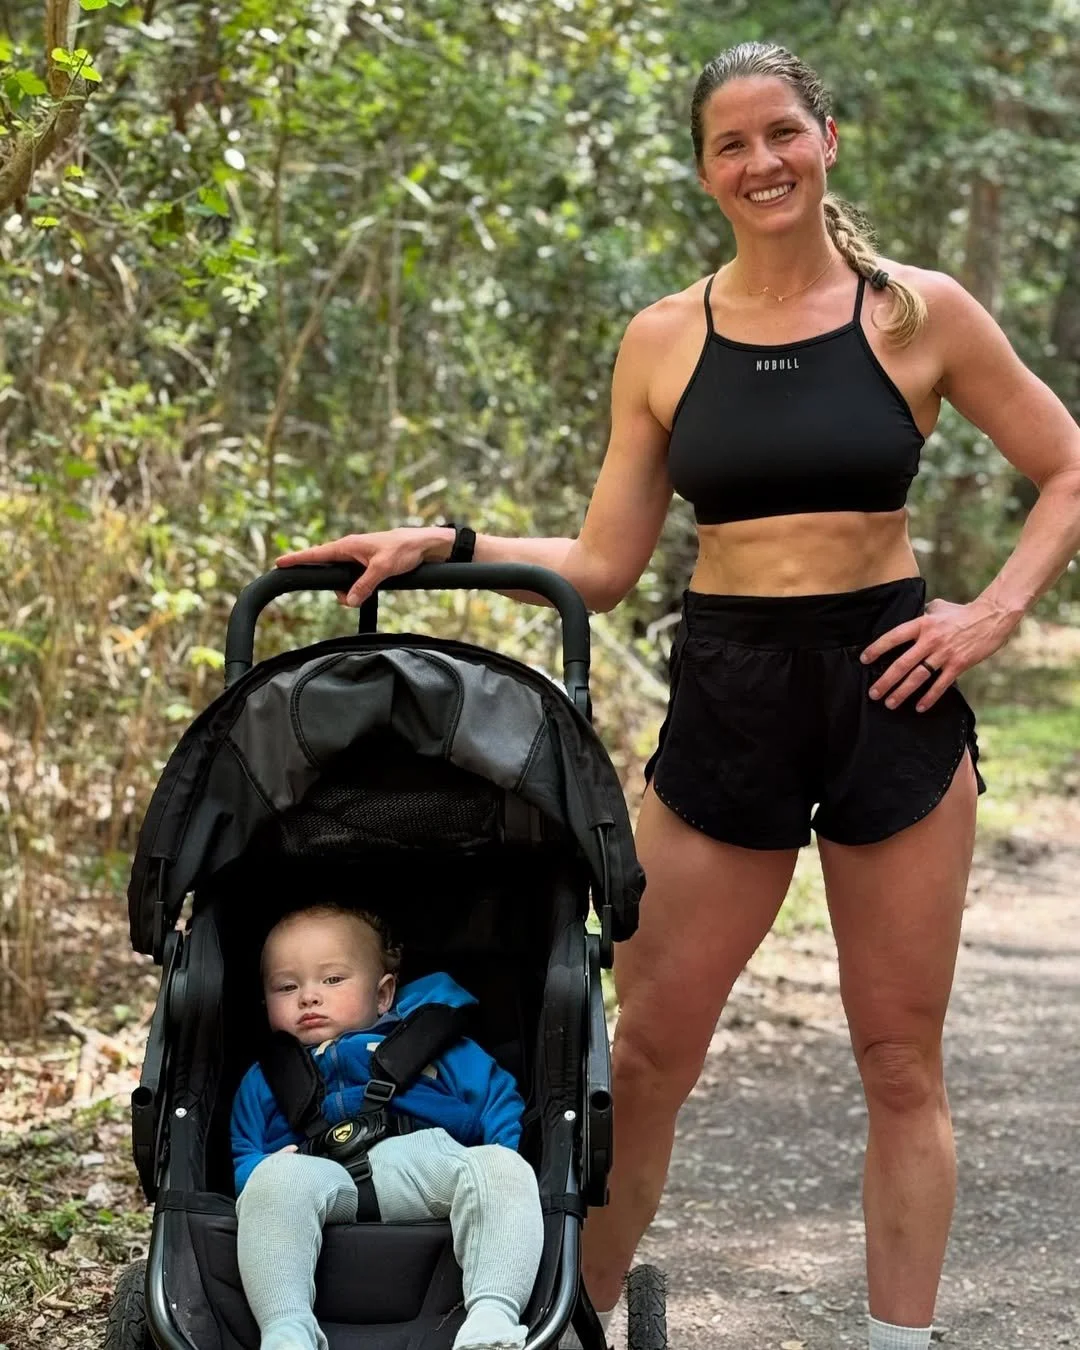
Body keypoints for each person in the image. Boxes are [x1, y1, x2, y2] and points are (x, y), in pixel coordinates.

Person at [272, 40, 1080, 1350]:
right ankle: (576, 1325)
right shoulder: (664, 337)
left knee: (897, 1057)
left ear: (828, 140)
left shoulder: (918, 313)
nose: (761, 161)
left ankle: (900, 1341)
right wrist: (446, 544)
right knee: (644, 1055)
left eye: (782, 133)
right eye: (731, 143)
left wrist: (987, 615)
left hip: (892, 688)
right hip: (731, 693)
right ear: (705, 169)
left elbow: (1068, 467)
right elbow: (601, 563)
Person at [231, 903, 543, 1350]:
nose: (309, 996)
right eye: (286, 986)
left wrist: (497, 1163)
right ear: (265, 1003)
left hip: (422, 1162)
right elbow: (244, 1149)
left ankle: (491, 1316)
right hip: (319, 1175)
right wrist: (259, 1169)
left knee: (502, 1167)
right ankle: (287, 1329)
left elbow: (498, 1102)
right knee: (270, 1180)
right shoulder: (266, 1077)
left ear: (383, 994)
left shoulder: (433, 1044)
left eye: (333, 979)